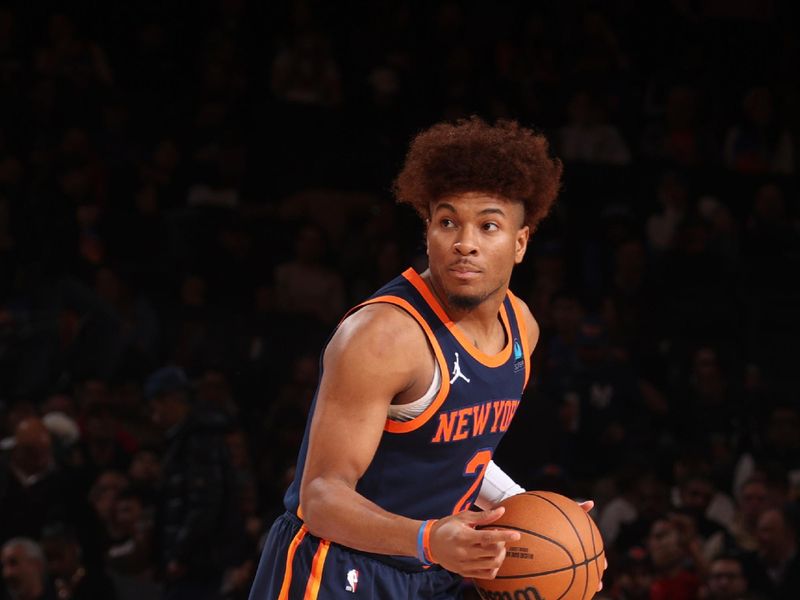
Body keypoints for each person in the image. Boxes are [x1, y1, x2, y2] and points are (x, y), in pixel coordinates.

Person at [248, 117, 605, 599]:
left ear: (520, 243)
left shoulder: (523, 329)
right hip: (336, 568)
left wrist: (531, 515)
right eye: (447, 221)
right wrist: (428, 538)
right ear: (429, 230)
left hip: (430, 571)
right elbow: (319, 496)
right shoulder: (382, 336)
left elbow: (456, 456)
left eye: (489, 225)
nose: (465, 242)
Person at [144, 366, 246, 600]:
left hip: (200, 565)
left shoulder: (199, 440)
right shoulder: (186, 439)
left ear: (170, 400)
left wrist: (181, 555)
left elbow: (205, 504)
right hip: (195, 562)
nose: (153, 415)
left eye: (155, 406)